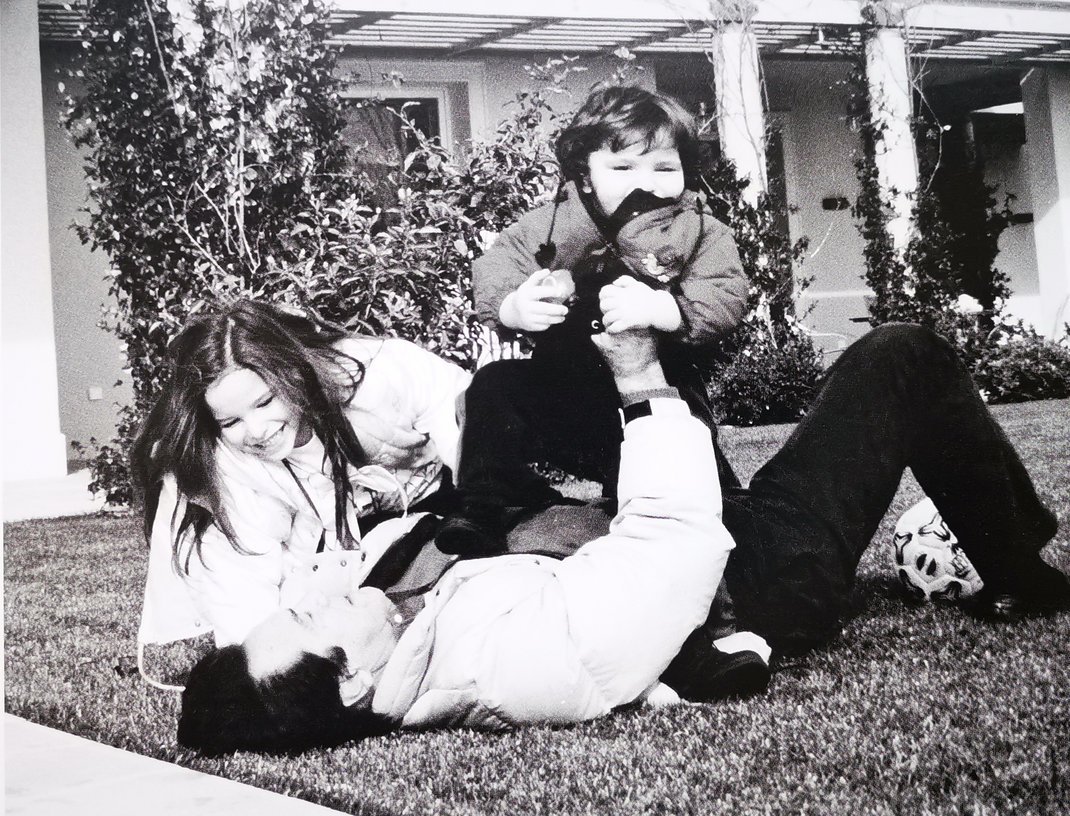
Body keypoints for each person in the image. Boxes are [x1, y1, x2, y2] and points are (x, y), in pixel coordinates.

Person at [177, 322, 1070, 754]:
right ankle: (1015, 557)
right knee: (900, 357)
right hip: (753, 568)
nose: (318, 596)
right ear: (352, 678)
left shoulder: (386, 613)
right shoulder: (510, 662)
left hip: (640, 510)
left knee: (513, 386)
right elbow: (674, 547)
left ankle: (1007, 542)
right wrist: (642, 388)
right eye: (311, 618)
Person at [436, 84, 747, 555]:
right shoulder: (552, 225)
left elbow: (724, 293)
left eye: (664, 167)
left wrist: (665, 310)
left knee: (677, 484)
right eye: (623, 167)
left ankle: (722, 510)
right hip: (562, 390)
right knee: (493, 385)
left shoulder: (699, 229)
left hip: (658, 394)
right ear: (584, 174)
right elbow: (499, 265)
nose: (646, 183)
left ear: (686, 170)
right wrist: (513, 306)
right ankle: (482, 506)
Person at [134, 299, 471, 651]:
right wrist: (268, 658)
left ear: (292, 370)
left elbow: (469, 437)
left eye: (265, 402)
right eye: (231, 422)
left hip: (449, 498)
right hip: (360, 543)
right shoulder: (231, 461)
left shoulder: (378, 372)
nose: (257, 430)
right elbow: (242, 574)